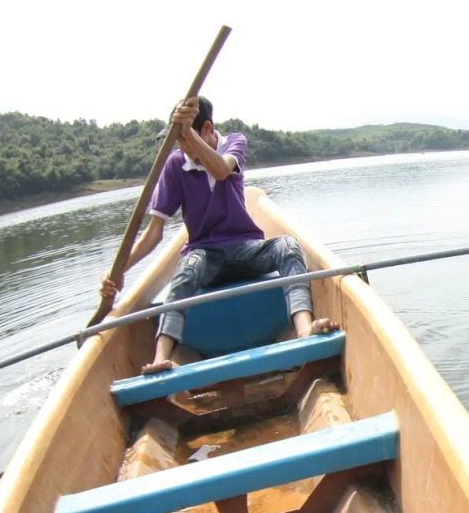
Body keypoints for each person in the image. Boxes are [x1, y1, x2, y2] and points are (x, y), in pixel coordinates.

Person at [99, 96, 336, 374]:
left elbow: (222, 170)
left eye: (184, 139)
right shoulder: (176, 165)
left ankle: (304, 330)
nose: (181, 147)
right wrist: (119, 271)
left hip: (246, 250)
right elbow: (153, 233)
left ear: (208, 128)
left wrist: (187, 130)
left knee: (288, 246)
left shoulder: (234, 142)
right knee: (186, 269)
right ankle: (160, 357)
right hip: (205, 258)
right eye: (177, 140)